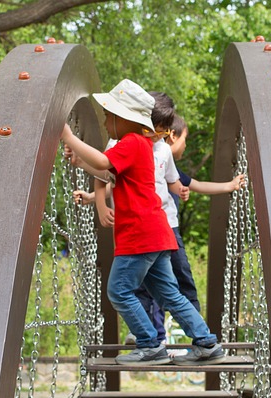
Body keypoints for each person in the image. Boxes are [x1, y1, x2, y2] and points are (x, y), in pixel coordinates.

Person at [60, 78, 225, 366]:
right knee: (169, 293)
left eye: (109, 114)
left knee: (119, 290)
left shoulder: (132, 142)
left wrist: (69, 137)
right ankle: (206, 342)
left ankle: (149, 344)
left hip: (139, 236)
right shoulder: (138, 145)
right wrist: (80, 162)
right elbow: (109, 173)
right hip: (157, 233)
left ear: (126, 119)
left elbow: (102, 164)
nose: (104, 119)